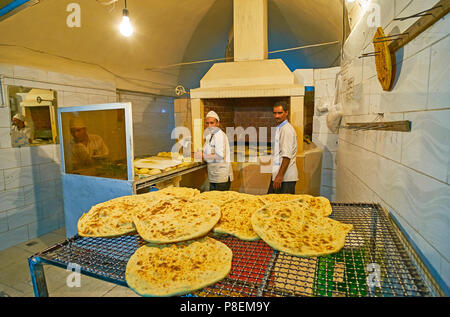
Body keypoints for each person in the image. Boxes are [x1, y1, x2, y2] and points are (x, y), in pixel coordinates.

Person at [195, 111, 233, 191]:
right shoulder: (210, 136)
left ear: (218, 123)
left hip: (221, 177)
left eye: (212, 123)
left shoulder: (220, 136)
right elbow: (206, 149)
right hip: (213, 175)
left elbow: (219, 156)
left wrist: (202, 155)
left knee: (220, 201)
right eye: (207, 123)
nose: (209, 126)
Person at [268, 101, 298, 194]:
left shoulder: (286, 130)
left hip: (285, 178)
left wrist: (279, 176)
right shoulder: (280, 128)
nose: (277, 116)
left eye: (280, 113)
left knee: (283, 206)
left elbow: (286, 156)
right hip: (279, 175)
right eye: (275, 113)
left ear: (286, 113)